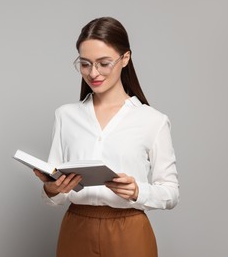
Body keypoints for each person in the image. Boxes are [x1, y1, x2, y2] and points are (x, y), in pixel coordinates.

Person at [33, 17, 179, 257]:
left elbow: (171, 193)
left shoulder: (153, 120)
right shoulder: (65, 116)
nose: (93, 73)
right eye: (85, 64)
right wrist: (51, 188)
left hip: (129, 230)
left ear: (125, 59)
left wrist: (137, 191)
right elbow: (54, 198)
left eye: (103, 63)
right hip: (76, 228)